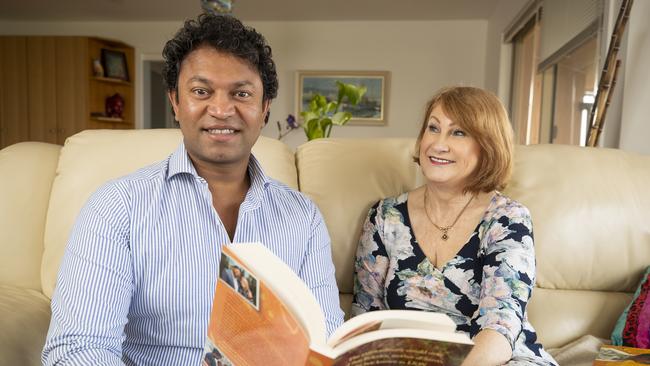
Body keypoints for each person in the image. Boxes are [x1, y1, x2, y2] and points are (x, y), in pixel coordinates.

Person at [42, 13, 343, 365]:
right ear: (175, 102)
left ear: (264, 110)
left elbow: (324, 341)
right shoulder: (117, 207)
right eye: (201, 91)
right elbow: (78, 347)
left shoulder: (302, 217)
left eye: (241, 93)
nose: (220, 109)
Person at [351, 86, 558, 366]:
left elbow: (499, 330)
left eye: (458, 132)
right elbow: (365, 317)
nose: (438, 144)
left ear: (487, 146)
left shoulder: (508, 219)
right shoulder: (385, 216)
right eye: (433, 128)